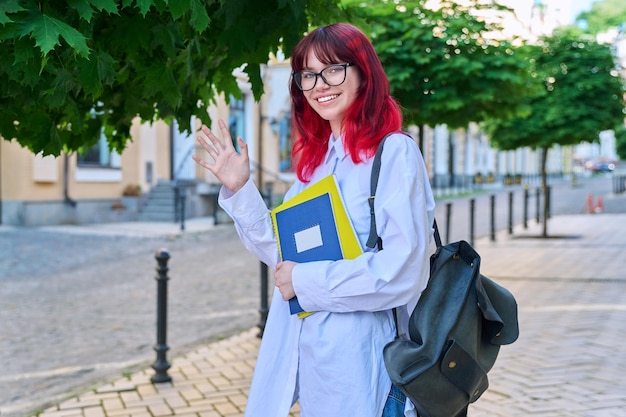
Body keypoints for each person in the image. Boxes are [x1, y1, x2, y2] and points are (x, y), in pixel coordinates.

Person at [193, 22, 435, 417]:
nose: (320, 83)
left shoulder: (393, 154)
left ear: (363, 74)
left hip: (365, 362)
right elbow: (282, 251)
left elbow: (402, 271)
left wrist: (304, 281)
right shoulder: (316, 164)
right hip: (311, 355)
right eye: (308, 74)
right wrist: (240, 190)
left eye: (333, 69)